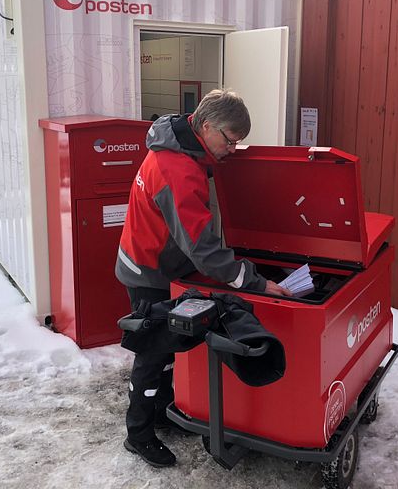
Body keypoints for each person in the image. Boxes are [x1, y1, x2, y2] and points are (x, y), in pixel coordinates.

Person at [115, 89, 291, 468]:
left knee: (165, 348)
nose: (231, 149)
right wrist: (254, 282)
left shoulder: (185, 146)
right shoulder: (176, 168)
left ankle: (162, 412)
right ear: (206, 125)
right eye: (229, 140)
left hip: (164, 263)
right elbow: (203, 247)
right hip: (148, 269)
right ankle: (139, 434)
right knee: (152, 352)